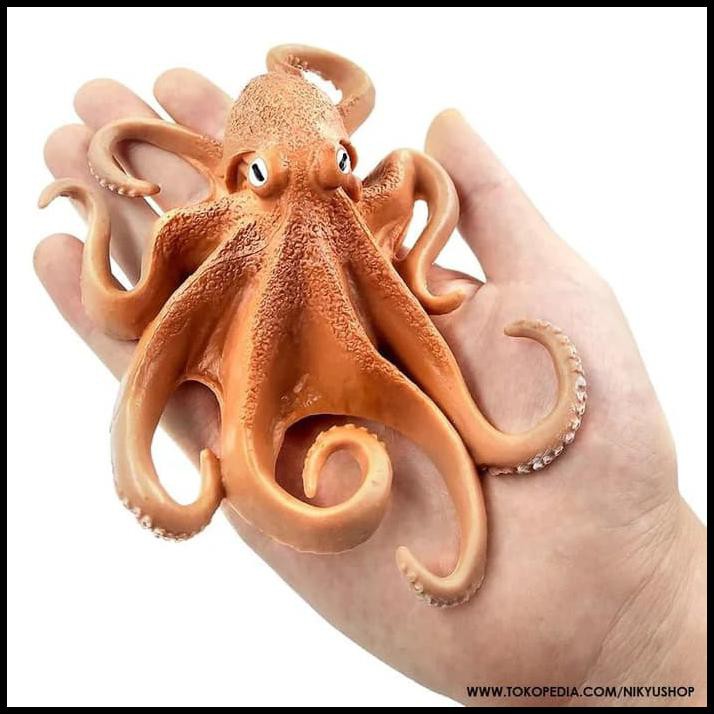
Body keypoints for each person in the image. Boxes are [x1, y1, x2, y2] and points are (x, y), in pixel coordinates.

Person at [35, 70, 706, 707]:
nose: (312, 205)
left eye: (339, 168)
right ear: (237, 174)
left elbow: (404, 184)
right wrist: (651, 627)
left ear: (350, 166)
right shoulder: (207, 228)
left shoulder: (359, 212)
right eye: (262, 176)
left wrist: (656, 610)